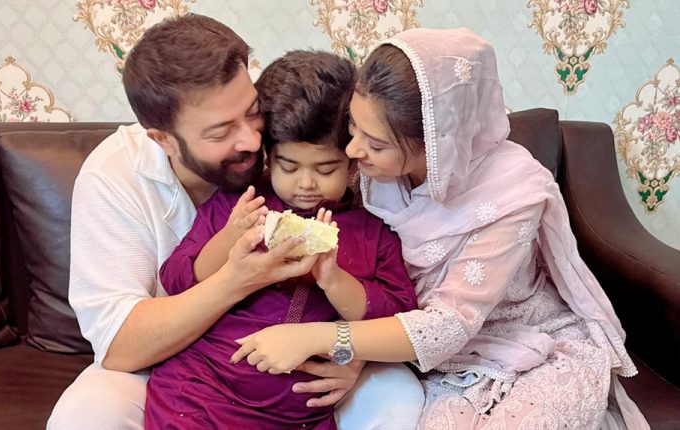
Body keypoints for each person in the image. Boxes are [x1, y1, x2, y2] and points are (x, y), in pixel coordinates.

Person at [232, 28, 650, 429]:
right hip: (423, 352)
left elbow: (449, 325)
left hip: (531, 343)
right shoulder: (370, 174)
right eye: (353, 128)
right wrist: (354, 354)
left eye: (376, 143)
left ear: (436, 143)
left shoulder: (513, 194)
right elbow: (367, 280)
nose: (353, 150)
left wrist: (322, 338)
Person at [47, 14, 425, 430]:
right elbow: (121, 346)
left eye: (252, 112)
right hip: (184, 370)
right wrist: (237, 277)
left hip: (306, 374)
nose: (252, 140)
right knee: (83, 415)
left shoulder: (325, 155)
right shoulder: (115, 177)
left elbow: (399, 308)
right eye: (221, 132)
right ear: (164, 139)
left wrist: (350, 347)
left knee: (399, 396)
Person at [144, 50, 418, 429]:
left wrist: (334, 280)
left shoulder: (372, 230)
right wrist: (229, 240)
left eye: (326, 169)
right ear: (269, 158)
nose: (306, 184)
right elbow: (175, 280)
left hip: (297, 414)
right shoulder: (241, 204)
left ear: (352, 163)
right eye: (288, 167)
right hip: (200, 391)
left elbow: (396, 318)